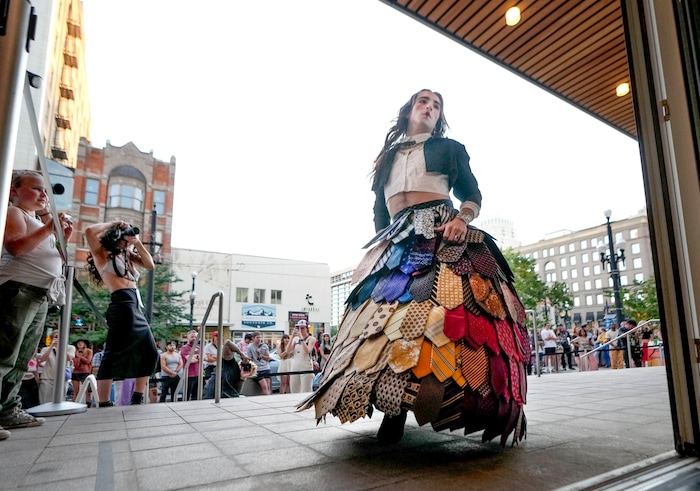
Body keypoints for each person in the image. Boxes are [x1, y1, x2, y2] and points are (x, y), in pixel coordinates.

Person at [298, 90, 528, 446]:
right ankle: (392, 407)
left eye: (437, 105)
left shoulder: (450, 148)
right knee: (388, 319)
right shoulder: (387, 157)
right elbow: (379, 209)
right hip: (397, 237)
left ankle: (460, 400)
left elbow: (472, 195)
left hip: (439, 228)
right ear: (409, 109)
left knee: (434, 314)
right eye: (424, 101)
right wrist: (381, 245)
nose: (430, 108)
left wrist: (462, 220)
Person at [0, 171, 73, 438]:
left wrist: (60, 235)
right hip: (17, 289)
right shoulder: (13, 212)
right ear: (14, 191)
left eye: (45, 191)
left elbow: (52, 259)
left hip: (39, 293)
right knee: (5, 353)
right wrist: (49, 228)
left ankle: (7, 409)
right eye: (36, 189)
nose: (44, 194)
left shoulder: (36, 221)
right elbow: (16, 247)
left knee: (21, 358)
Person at [85, 220, 159, 406]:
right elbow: (89, 231)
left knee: (149, 351)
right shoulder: (102, 254)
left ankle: (137, 397)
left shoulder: (127, 254)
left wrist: (137, 242)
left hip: (134, 306)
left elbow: (150, 265)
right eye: (124, 236)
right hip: (121, 304)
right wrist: (114, 223)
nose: (127, 241)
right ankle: (103, 402)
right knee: (112, 353)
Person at [38, 330, 75, 404]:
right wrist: (52, 346)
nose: (58, 338)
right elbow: (41, 360)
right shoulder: (45, 349)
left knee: (60, 401)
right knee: (45, 401)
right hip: (47, 378)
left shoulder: (70, 348)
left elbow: (70, 358)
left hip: (62, 379)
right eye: (56, 337)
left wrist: (62, 346)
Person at [286, 320, 316, 394]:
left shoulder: (311, 339)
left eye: (302, 328)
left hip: (306, 365)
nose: (301, 330)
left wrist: (301, 338)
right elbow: (288, 350)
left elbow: (307, 351)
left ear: (306, 328)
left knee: (306, 389)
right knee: (294, 388)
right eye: (299, 328)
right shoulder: (295, 339)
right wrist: (292, 336)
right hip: (295, 365)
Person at [180, 330, 201, 401]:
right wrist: (199, 357)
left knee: (196, 394)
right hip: (189, 375)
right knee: (187, 393)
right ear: (188, 337)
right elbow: (190, 360)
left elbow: (204, 358)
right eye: (192, 337)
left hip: (198, 374)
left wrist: (196, 357)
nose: (194, 338)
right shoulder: (185, 348)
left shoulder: (198, 348)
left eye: (195, 337)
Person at [71, 339, 93, 404]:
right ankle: (74, 403)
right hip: (75, 371)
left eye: (81, 343)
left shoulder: (89, 351)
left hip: (85, 372)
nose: (80, 344)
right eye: (78, 343)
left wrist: (80, 357)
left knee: (87, 389)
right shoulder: (74, 351)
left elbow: (88, 361)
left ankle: (88, 402)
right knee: (76, 390)